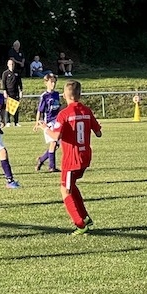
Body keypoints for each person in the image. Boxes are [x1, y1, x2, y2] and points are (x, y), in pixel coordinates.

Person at [51, 79, 103, 234]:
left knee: (65, 190)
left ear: (64, 95)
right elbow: (98, 133)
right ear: (80, 95)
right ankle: (85, 217)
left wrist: (44, 128)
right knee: (72, 186)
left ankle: (80, 224)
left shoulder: (64, 114)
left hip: (71, 159)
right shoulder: (87, 110)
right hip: (85, 156)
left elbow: (56, 136)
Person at [34, 73, 61, 172]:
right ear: (46, 83)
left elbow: (58, 107)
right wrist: (37, 122)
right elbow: (39, 110)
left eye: (54, 82)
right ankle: (51, 167)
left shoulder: (56, 94)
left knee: (56, 145)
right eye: (51, 82)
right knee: (53, 143)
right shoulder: (44, 96)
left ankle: (41, 159)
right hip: (48, 122)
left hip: (57, 121)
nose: (53, 84)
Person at [0, 57, 23, 127]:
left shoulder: (17, 73)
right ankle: (8, 122)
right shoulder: (5, 73)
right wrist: (4, 91)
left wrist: (21, 91)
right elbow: (3, 83)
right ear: (7, 65)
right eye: (10, 64)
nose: (11, 65)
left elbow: (20, 83)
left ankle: (16, 122)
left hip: (16, 92)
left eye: (12, 64)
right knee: (8, 108)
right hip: (8, 92)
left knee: (16, 107)